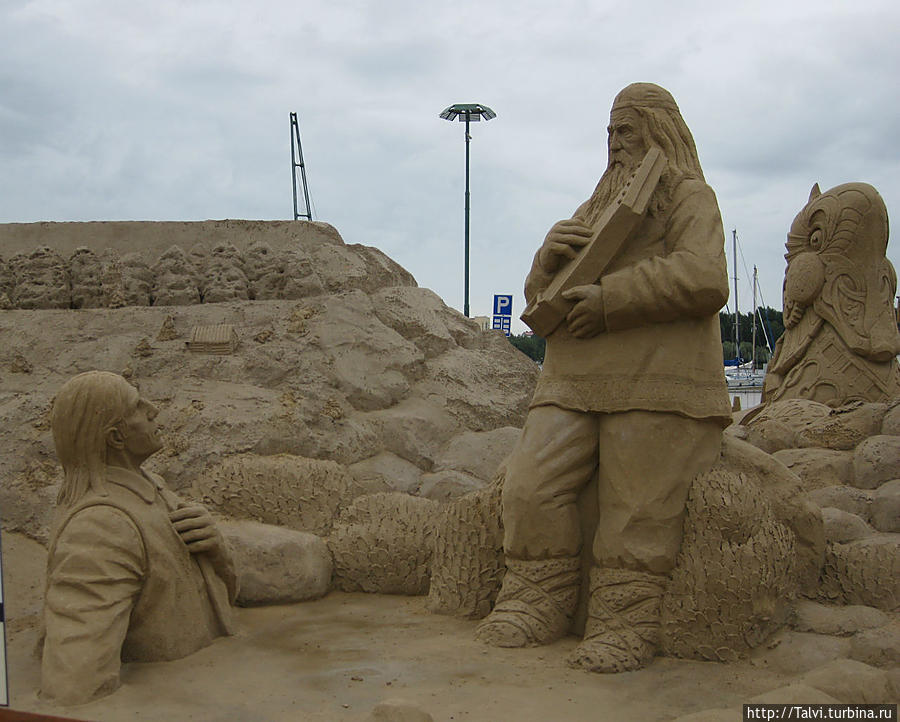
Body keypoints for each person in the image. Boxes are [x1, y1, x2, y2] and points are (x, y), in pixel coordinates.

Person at [475, 83, 732, 673]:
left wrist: (613, 298)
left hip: (656, 379)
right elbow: (543, 302)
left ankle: (625, 619)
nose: (615, 145)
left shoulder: (691, 197)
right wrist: (545, 261)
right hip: (572, 380)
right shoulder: (595, 208)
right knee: (529, 484)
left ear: (660, 133)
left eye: (627, 131)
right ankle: (535, 599)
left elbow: (705, 275)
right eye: (610, 133)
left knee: (636, 501)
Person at [41, 371, 237, 705]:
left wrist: (217, 550)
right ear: (116, 438)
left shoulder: (149, 485)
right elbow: (74, 683)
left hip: (200, 675)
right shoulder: (101, 527)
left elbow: (211, 597)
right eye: (136, 406)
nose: (152, 410)